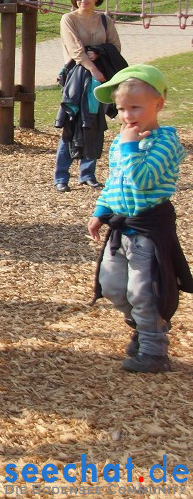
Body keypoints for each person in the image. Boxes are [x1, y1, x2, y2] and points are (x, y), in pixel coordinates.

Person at [88, 65, 190, 373]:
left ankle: (154, 350)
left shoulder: (165, 142)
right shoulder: (122, 141)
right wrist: (99, 212)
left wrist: (131, 145)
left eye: (135, 107)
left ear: (158, 104)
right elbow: (115, 181)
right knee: (112, 285)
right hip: (122, 225)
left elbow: (141, 180)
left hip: (148, 227)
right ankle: (147, 326)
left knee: (143, 291)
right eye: (121, 109)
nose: (127, 115)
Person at [54, 0, 122, 192]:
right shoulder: (69, 19)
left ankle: (87, 174)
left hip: (98, 78)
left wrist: (98, 53)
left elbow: (115, 46)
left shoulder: (104, 20)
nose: (83, 0)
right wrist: (93, 68)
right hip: (78, 77)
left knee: (95, 123)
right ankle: (61, 177)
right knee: (72, 123)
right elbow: (75, 50)